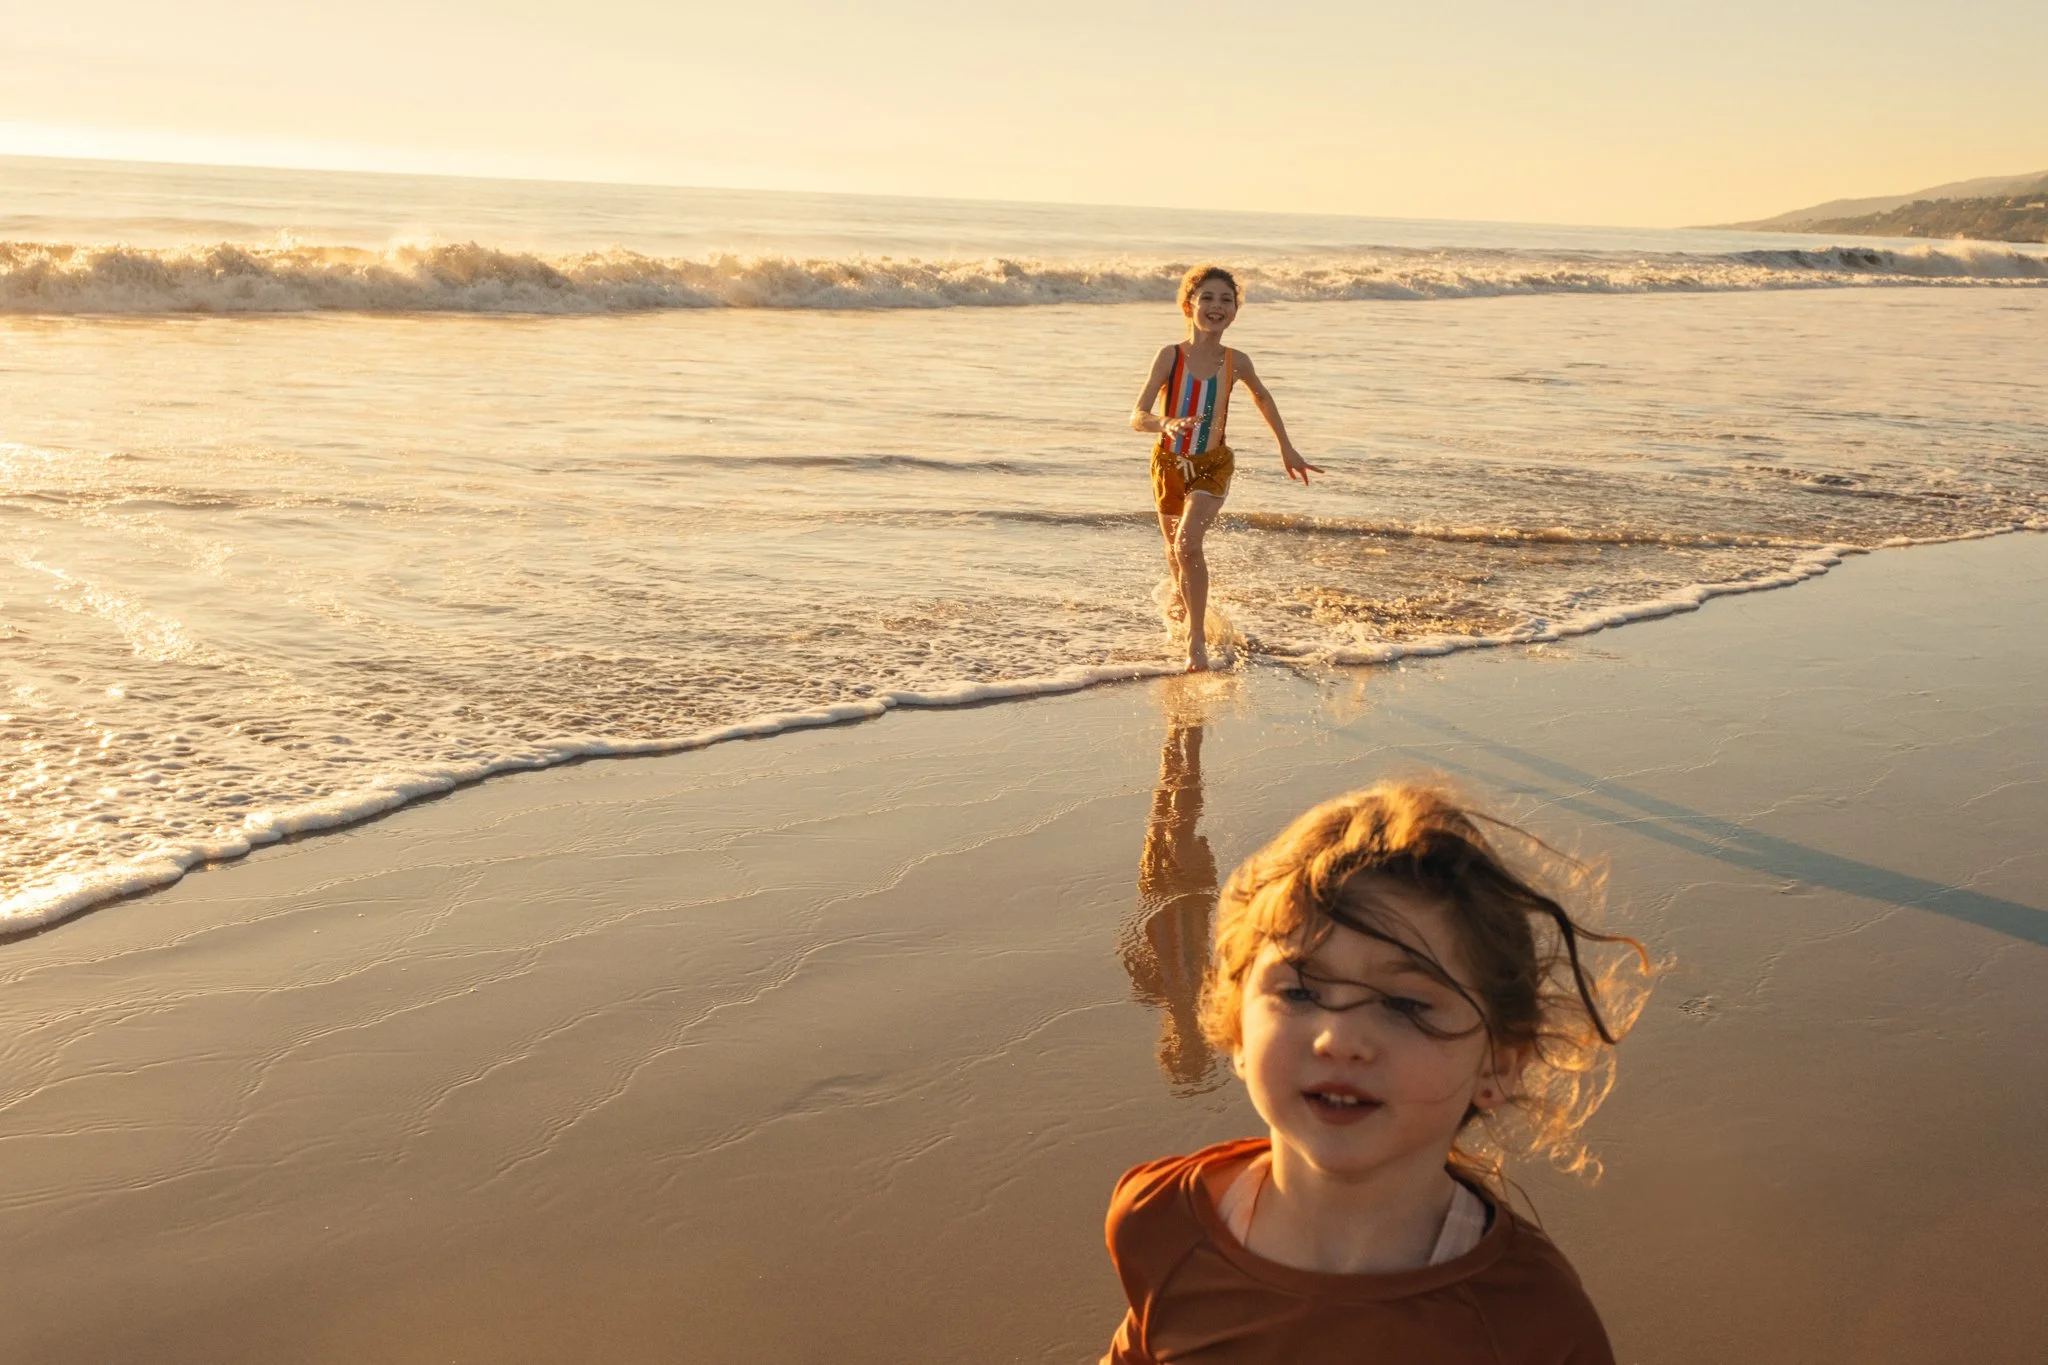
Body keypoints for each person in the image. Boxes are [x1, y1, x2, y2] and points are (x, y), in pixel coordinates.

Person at [1100, 782, 1651, 1364]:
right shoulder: (1164, 1224)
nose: (1338, 1040)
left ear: (1499, 1062)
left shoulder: (1526, 1321)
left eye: (1405, 1004)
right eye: (1301, 990)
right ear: (1236, 1025)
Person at [1130, 265, 1321, 673]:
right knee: (1173, 551)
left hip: (1213, 465)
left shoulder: (1236, 361)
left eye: (1226, 300)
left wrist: (1286, 448)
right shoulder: (1170, 356)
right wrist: (1163, 423)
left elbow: (1263, 399)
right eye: (1208, 298)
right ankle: (1183, 607)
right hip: (1167, 463)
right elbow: (1137, 415)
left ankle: (1196, 641)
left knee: (1186, 545)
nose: (1217, 306)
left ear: (1235, 312)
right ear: (1188, 305)